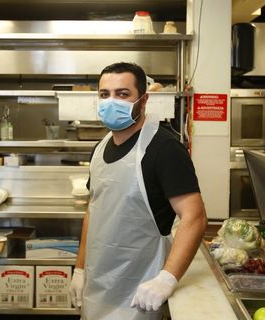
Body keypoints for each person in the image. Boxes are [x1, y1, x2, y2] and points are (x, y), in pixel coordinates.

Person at [69, 62, 207, 320]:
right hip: (98, 286)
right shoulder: (100, 149)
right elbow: (94, 209)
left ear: (143, 101)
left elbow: (195, 217)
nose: (111, 102)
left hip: (142, 292)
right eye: (104, 94)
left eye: (122, 94)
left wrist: (167, 279)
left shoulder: (164, 149)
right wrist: (79, 269)